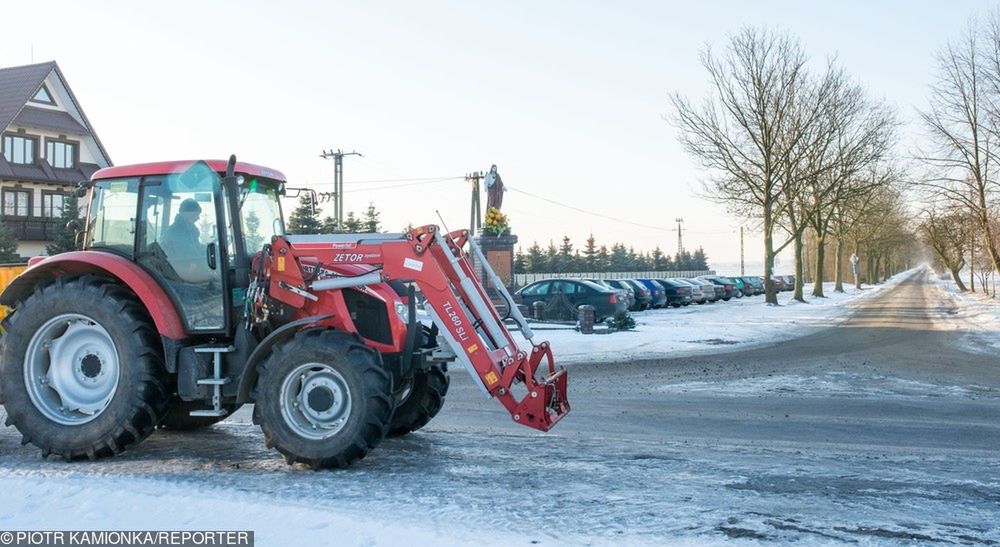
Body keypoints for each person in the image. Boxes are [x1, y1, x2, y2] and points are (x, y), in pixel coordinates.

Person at [161, 198, 212, 283]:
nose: (198, 218)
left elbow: (195, 248)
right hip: (180, 274)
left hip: (186, 269)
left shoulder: (188, 230)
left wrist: (209, 249)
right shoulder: (176, 232)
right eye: (197, 214)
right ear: (188, 213)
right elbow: (190, 253)